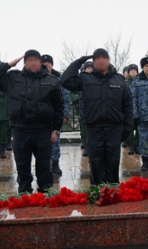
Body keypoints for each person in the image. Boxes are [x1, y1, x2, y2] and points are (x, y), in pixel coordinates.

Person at [0, 50, 64, 193]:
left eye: (35, 60)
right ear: (24, 62)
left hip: (43, 129)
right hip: (20, 129)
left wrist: (55, 129)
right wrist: (9, 64)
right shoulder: (13, 78)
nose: (32, 63)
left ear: (40, 63)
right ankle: (24, 190)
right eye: (29, 60)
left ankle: (45, 191)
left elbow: (58, 107)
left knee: (44, 164)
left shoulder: (51, 80)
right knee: (22, 163)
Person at [61, 48, 133, 185]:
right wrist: (80, 61)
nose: (101, 60)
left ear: (108, 60)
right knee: (96, 164)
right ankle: (97, 193)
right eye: (97, 58)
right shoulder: (85, 78)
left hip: (114, 129)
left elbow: (128, 106)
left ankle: (112, 192)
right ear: (93, 62)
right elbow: (65, 80)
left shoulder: (119, 80)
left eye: (103, 57)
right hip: (94, 129)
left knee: (113, 163)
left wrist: (127, 128)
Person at [41, 54, 71, 175]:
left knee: (55, 141)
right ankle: (44, 165)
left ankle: (55, 164)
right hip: (41, 116)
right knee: (42, 142)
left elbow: (66, 97)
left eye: (48, 62)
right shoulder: (37, 78)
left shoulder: (59, 78)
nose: (46, 64)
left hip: (55, 115)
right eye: (44, 63)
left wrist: (65, 114)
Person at [126, 63, 140, 155]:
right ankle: (131, 146)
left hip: (139, 109)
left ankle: (137, 145)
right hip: (129, 109)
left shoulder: (140, 82)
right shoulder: (125, 83)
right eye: (131, 70)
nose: (133, 72)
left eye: (135, 70)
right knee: (130, 128)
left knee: (139, 128)